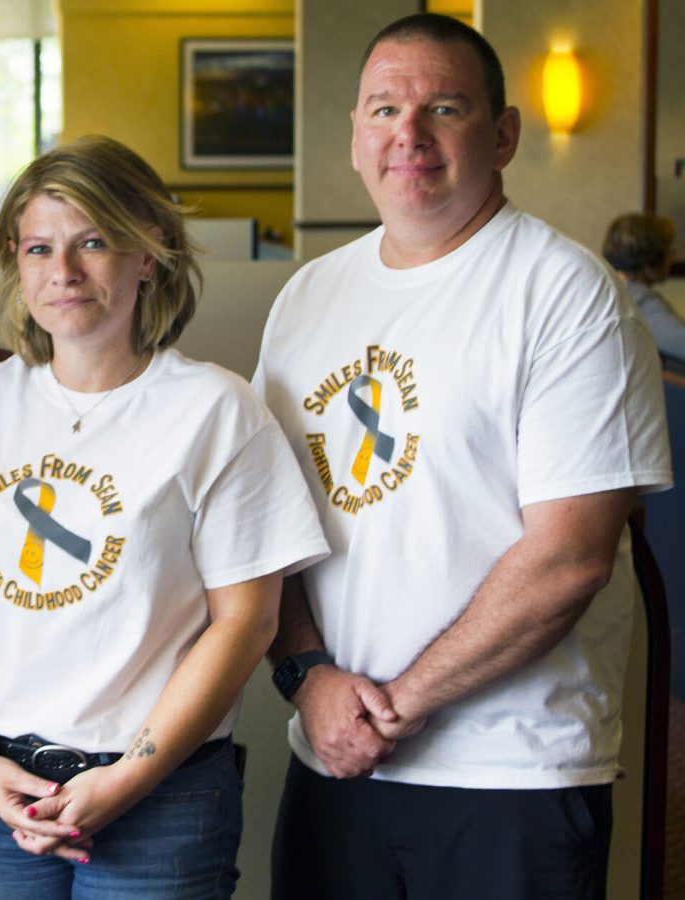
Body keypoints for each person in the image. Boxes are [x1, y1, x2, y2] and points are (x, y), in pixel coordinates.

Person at [252, 14, 672, 900]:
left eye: (444, 108)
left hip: (509, 774)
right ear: (356, 138)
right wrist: (307, 678)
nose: (408, 134)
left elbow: (569, 559)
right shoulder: (308, 297)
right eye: (384, 110)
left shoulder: (566, 295)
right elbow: (265, 524)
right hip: (333, 763)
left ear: (504, 135)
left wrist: (393, 707)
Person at [0, 135, 329, 900]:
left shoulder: (215, 410)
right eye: (39, 248)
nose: (63, 271)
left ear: (149, 253)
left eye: (93, 242)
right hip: (1, 796)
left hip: (162, 798)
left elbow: (247, 623)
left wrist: (127, 778)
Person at [603, 212, 685, 366]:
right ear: (653, 257)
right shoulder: (640, 300)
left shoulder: (609, 288)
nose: (673, 256)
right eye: (669, 250)